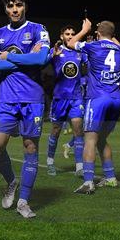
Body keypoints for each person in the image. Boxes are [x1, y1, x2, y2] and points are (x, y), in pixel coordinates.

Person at [0, 0, 51, 218]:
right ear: (5, 9)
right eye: (11, 6)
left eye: (19, 5)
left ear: (25, 6)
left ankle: (23, 201)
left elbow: (42, 57)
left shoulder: (38, 29)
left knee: (30, 148)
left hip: (32, 98)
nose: (15, 9)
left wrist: (10, 56)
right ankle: (11, 181)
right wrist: (28, 59)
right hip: (5, 98)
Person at [66, 19, 120, 194]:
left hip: (98, 98)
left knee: (90, 140)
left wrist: (85, 29)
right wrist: (107, 33)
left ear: (98, 34)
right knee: (102, 139)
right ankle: (111, 177)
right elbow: (115, 43)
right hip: (116, 100)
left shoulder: (93, 47)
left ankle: (88, 182)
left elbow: (70, 43)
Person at [46, 25, 86, 177]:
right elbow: (44, 62)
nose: (70, 36)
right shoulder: (56, 50)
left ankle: (79, 167)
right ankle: (50, 161)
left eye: (72, 34)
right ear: (61, 36)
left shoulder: (80, 53)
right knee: (55, 131)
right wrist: (53, 55)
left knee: (78, 131)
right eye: (67, 34)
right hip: (60, 98)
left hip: (76, 98)